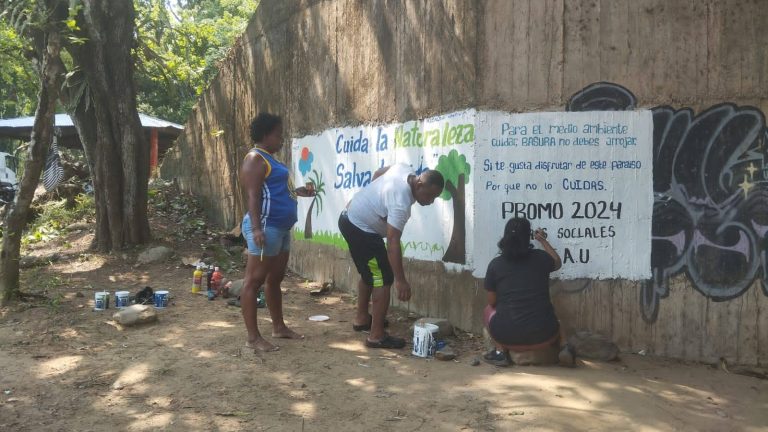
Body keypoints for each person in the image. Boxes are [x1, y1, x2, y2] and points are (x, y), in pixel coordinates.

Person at [339, 163, 444, 348]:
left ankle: (362, 318)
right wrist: (400, 280)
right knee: (383, 279)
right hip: (361, 229)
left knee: (371, 274)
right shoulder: (401, 202)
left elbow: (378, 172)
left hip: (350, 218)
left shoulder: (404, 168)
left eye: (435, 197)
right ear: (419, 185)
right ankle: (376, 336)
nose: (430, 201)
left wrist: (370, 200)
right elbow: (393, 242)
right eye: (429, 195)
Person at [239, 113, 314, 353]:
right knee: (254, 282)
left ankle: (278, 327)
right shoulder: (255, 159)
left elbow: (280, 190)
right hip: (266, 228)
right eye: (278, 134)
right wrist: (257, 228)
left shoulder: (272, 160)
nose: (281, 139)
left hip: (280, 228)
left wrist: (300, 191)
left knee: (275, 279)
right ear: (264, 135)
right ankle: (253, 338)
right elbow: (254, 195)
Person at [482, 217, 575, 366]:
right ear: (528, 237)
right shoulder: (541, 258)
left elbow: (492, 301)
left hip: (507, 336)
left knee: (488, 310)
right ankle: (565, 347)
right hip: (545, 335)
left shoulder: (495, 265)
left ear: (505, 237)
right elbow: (557, 262)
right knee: (555, 316)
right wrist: (542, 240)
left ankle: (500, 353)